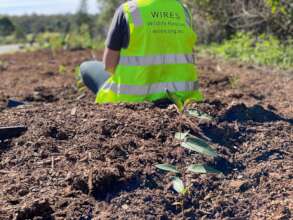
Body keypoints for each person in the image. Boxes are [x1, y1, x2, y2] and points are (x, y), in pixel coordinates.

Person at [80, 0, 203, 104]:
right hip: (181, 99)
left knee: (86, 67)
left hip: (134, 100)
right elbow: (189, 57)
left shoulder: (129, 10)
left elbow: (109, 65)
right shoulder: (183, 10)